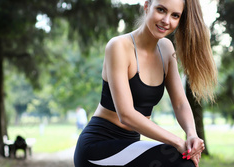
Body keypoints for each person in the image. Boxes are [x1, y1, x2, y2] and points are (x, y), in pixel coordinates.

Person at [73, 0, 217, 166]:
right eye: (161, 10)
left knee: (182, 159)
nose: (166, 20)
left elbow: (180, 103)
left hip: (131, 146)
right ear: (147, 6)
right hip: (98, 148)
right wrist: (177, 141)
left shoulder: (166, 49)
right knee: (179, 161)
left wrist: (191, 133)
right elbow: (126, 114)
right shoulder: (119, 46)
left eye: (175, 15)